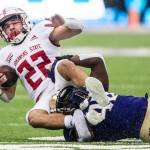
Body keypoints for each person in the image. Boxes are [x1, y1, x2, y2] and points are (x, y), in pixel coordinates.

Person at [0, 7, 109, 133]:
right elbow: (9, 96)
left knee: (63, 64)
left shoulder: (40, 29)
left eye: (14, 23)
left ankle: (94, 96)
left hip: (59, 79)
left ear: (24, 20)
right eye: (6, 27)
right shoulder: (4, 55)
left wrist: (64, 23)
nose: (11, 28)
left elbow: (78, 28)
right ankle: (76, 121)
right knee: (33, 118)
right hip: (45, 97)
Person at [61, 80, 150, 143]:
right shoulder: (71, 129)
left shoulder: (93, 93)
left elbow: (98, 61)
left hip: (145, 105)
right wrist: (84, 119)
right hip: (143, 126)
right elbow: (84, 135)